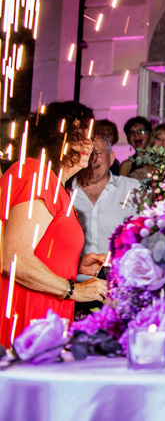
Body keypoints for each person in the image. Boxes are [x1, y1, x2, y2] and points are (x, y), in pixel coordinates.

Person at [0, 101, 108, 347]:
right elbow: (13, 258)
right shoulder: (35, 174)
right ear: (53, 137)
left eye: (89, 136)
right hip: (25, 318)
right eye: (77, 134)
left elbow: (38, 247)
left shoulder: (57, 186)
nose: (86, 144)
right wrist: (76, 291)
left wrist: (75, 264)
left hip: (46, 320)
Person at [69, 135, 141, 315]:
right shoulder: (64, 190)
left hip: (119, 292)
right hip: (71, 291)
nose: (92, 158)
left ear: (111, 158)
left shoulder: (133, 190)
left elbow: (147, 238)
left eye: (98, 153)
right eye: (87, 153)